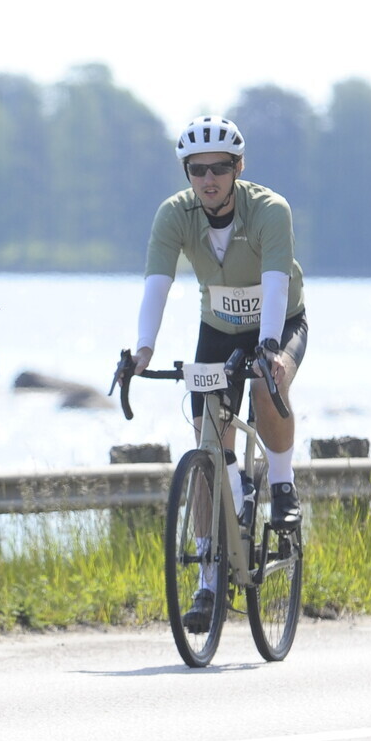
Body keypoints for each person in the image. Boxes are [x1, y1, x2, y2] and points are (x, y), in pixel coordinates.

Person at [131, 116, 307, 635]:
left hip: (280, 322)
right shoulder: (175, 215)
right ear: (186, 172)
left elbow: (275, 285)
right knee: (208, 447)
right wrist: (142, 351)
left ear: (239, 167)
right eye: (197, 170)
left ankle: (281, 483)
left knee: (267, 386)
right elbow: (157, 285)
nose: (208, 179)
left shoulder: (270, 209)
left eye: (220, 168)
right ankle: (208, 580)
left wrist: (270, 348)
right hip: (220, 329)